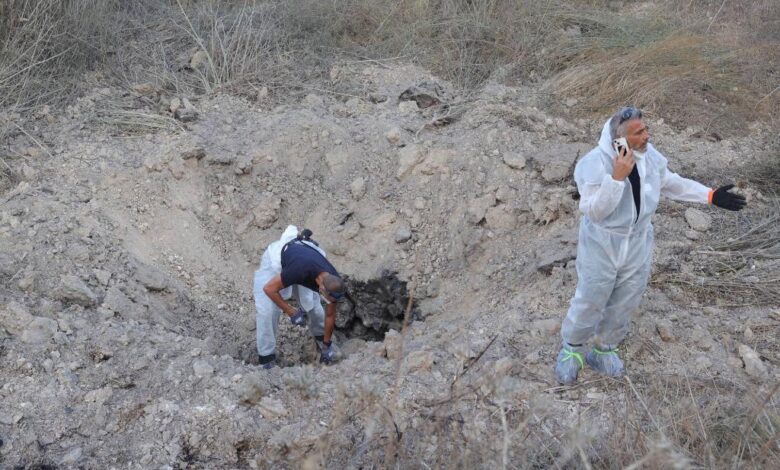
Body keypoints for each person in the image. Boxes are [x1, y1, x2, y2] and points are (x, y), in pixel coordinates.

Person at [555, 107, 746, 384]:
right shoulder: (594, 164)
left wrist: (710, 195)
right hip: (602, 242)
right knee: (591, 296)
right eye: (639, 132)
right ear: (619, 140)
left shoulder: (649, 157)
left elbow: (670, 183)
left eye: (645, 129)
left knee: (627, 297)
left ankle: (604, 349)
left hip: (637, 242)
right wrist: (618, 177)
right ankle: (572, 350)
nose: (647, 135)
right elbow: (595, 211)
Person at [253, 225, 353, 369]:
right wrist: (291, 311)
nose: (330, 301)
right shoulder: (299, 270)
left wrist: (327, 343)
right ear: (322, 287)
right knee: (267, 311)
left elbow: (330, 315)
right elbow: (269, 289)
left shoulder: (333, 280)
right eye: (328, 298)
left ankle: (321, 341)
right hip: (277, 259)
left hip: (303, 257)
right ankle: (266, 358)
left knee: (313, 306)